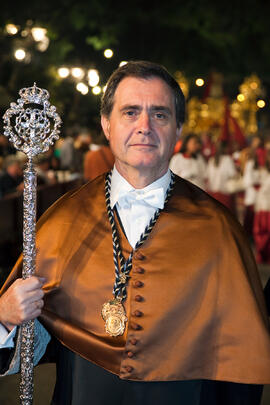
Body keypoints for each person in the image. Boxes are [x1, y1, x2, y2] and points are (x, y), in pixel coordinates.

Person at [0, 61, 270, 405]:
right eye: (130, 112)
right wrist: (6, 321)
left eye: (159, 114)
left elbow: (239, 371)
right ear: (106, 125)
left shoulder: (220, 231)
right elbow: (32, 341)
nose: (144, 126)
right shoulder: (62, 220)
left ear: (178, 130)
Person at [206, 141, 237, 213]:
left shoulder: (212, 160)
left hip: (212, 193)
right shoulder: (228, 159)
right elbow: (232, 174)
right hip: (224, 193)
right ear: (225, 148)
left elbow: (207, 176)